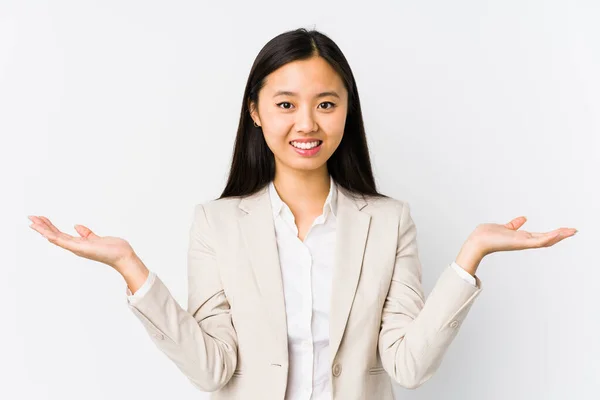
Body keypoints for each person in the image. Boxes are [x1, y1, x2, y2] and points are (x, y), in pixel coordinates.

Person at [27, 28, 577, 400]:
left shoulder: (388, 222)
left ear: (345, 111)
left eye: (326, 103)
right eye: (286, 103)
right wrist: (129, 267)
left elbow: (408, 366)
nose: (306, 123)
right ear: (256, 112)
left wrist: (470, 256)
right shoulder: (216, 224)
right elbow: (212, 367)